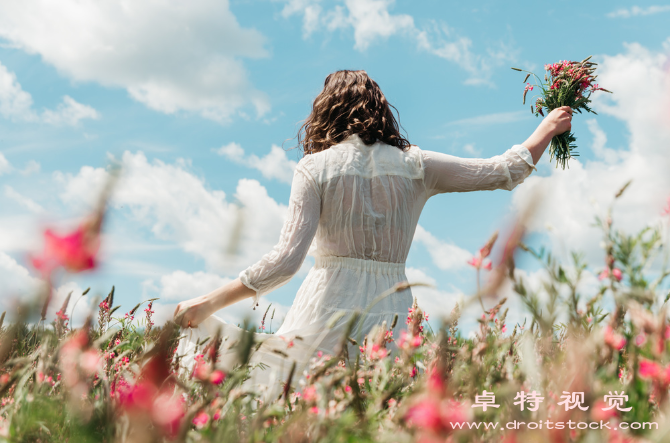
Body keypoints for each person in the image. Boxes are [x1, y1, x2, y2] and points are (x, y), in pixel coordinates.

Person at [173, 70, 572, 400]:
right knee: (387, 407)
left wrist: (206, 303)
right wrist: (547, 127)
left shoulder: (315, 168)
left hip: (326, 304)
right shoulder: (416, 165)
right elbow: (502, 172)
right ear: (381, 111)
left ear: (326, 112)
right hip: (393, 308)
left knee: (304, 405)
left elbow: (285, 261)